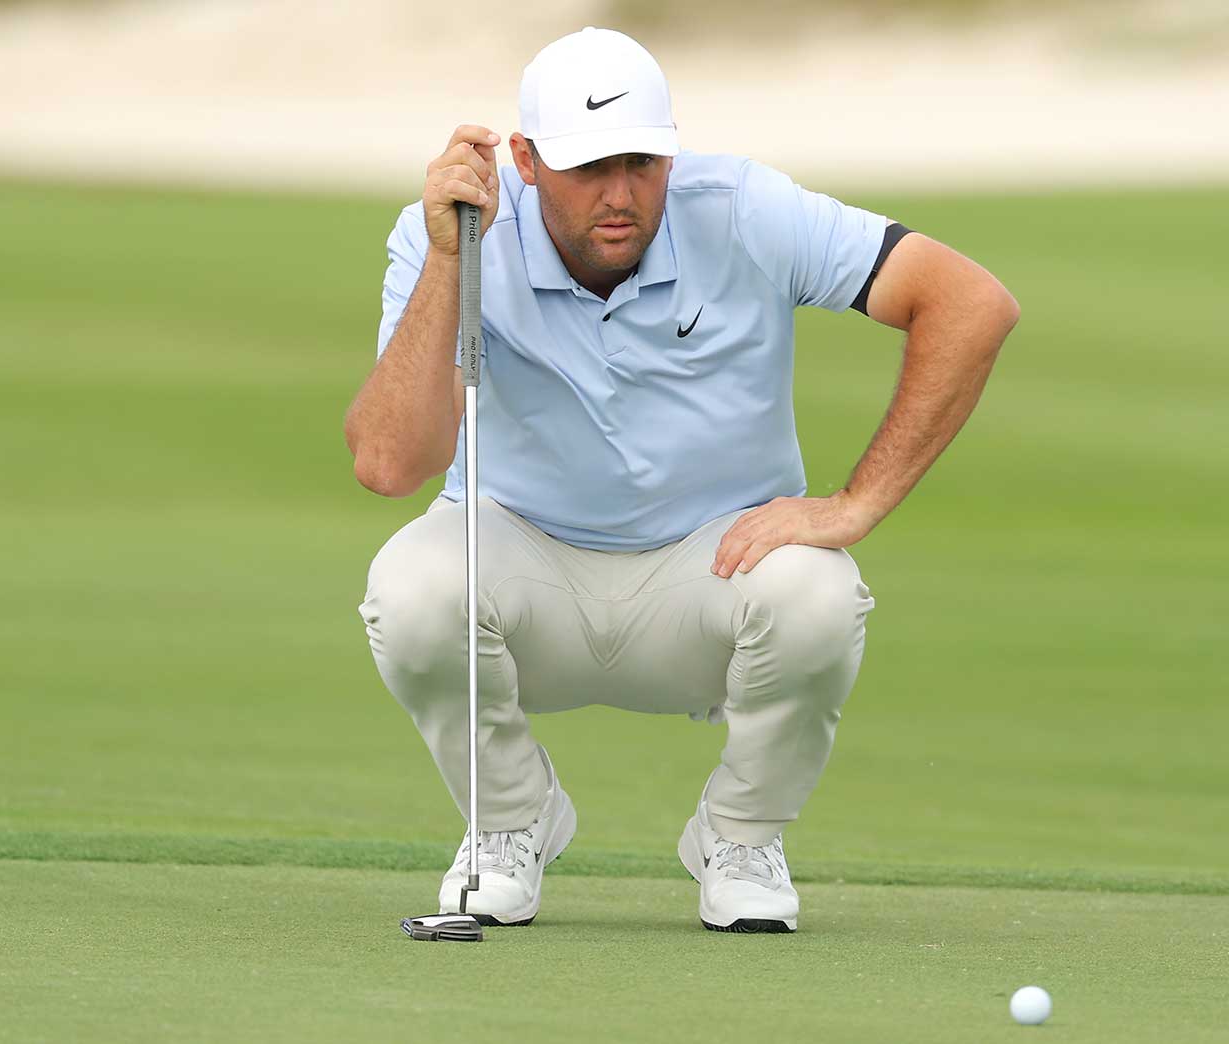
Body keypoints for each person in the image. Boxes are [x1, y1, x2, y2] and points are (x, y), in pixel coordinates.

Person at [345, 27, 1018, 934]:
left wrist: (857, 502)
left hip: (712, 573)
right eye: (589, 167)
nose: (620, 196)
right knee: (409, 586)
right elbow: (390, 463)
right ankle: (509, 821)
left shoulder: (740, 207)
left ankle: (740, 838)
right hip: (521, 561)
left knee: (819, 592)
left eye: (641, 162)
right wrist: (448, 263)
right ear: (527, 160)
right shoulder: (457, 241)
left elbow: (970, 302)